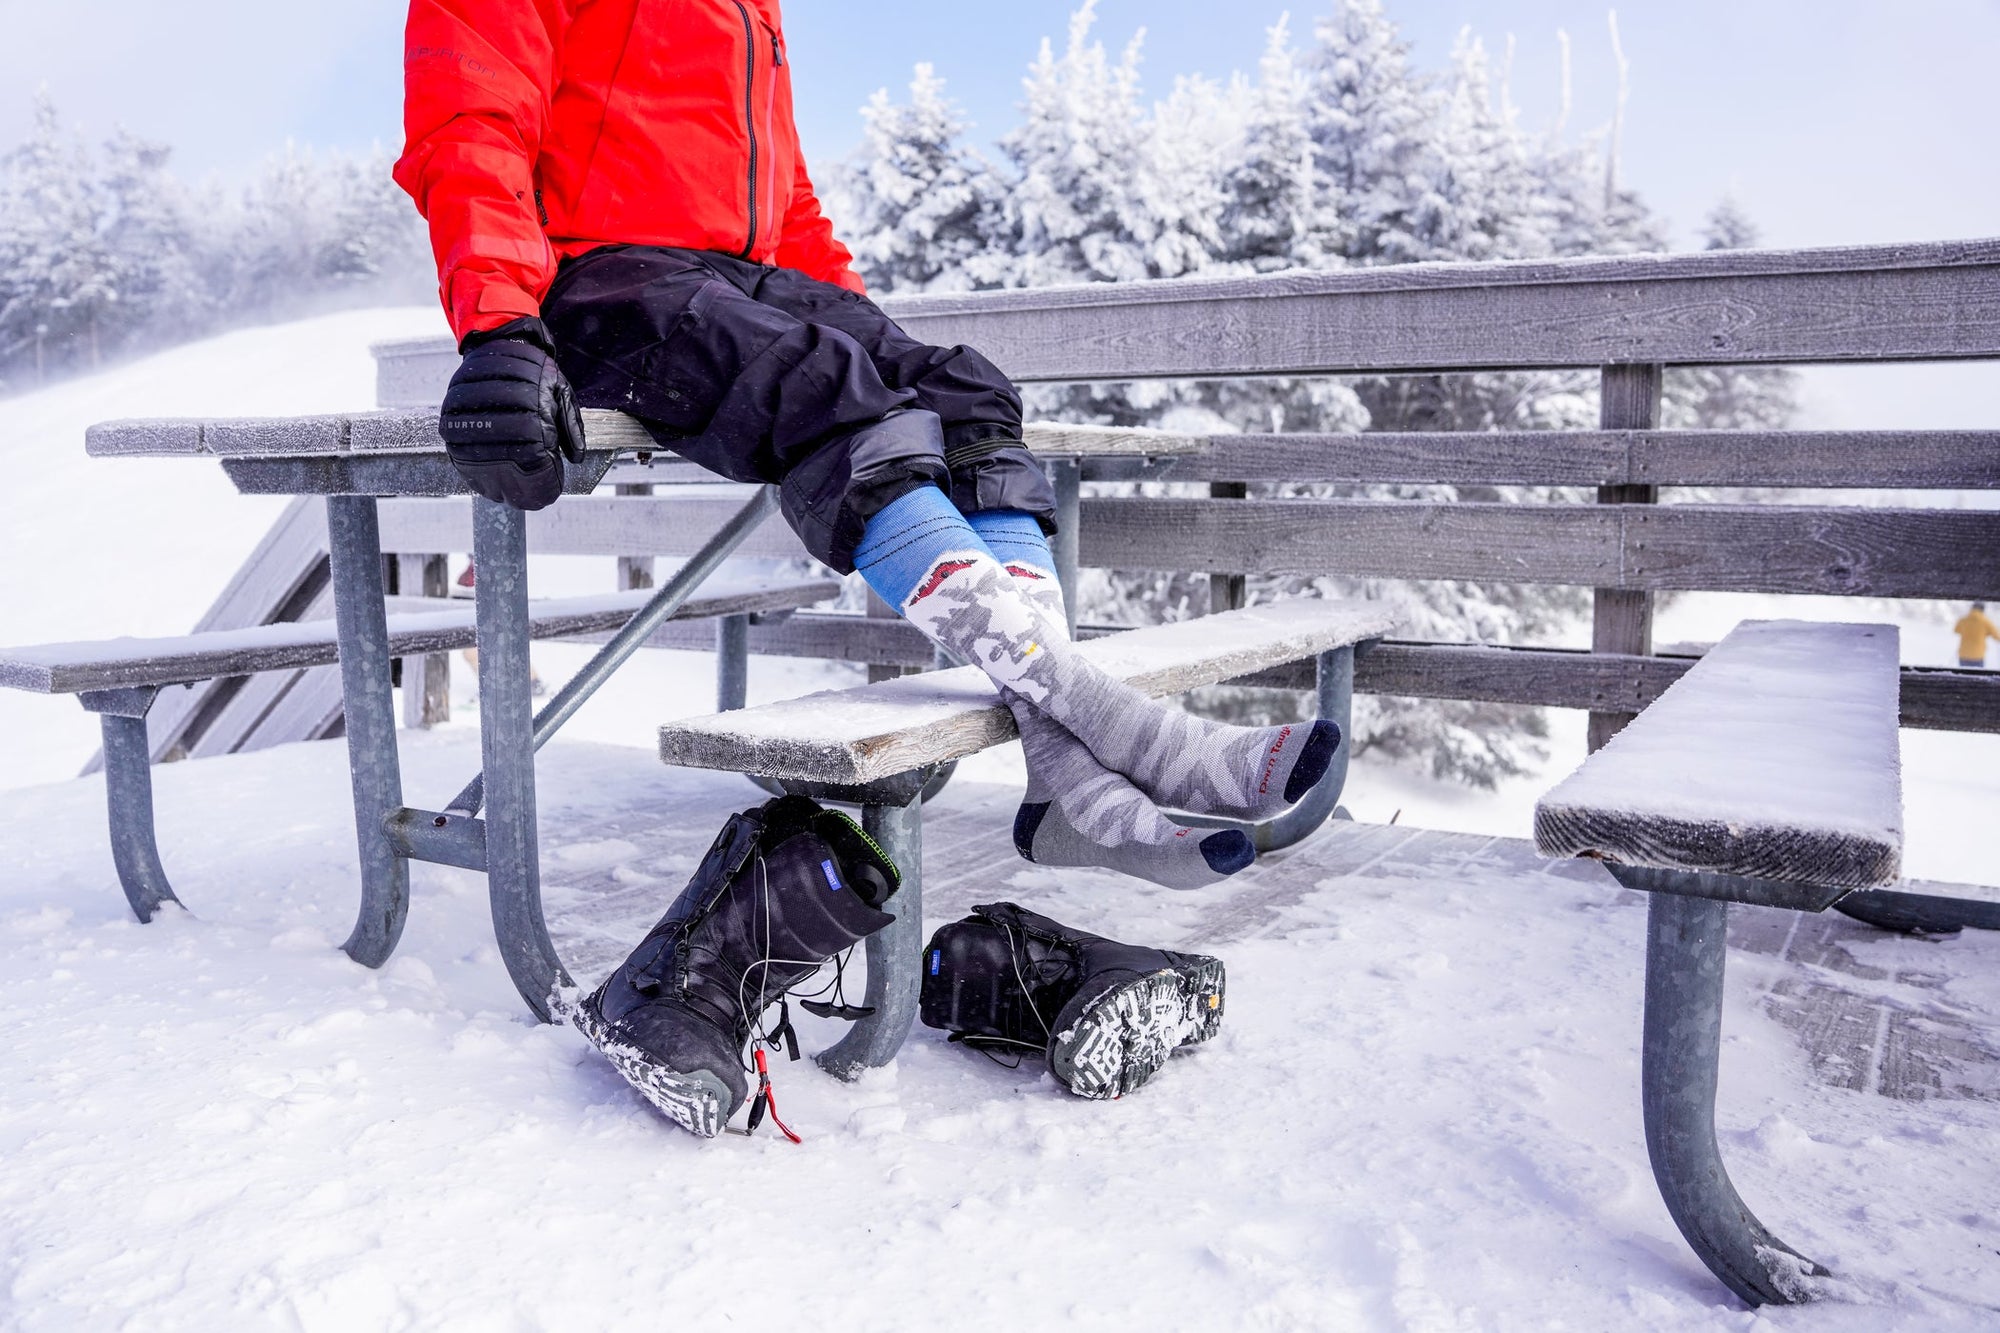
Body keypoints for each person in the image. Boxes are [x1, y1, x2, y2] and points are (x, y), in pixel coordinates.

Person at [395, 1, 1334, 1134]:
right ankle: (1119, 730)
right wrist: (499, 323)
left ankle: (1065, 776)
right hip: (603, 284)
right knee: (833, 394)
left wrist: (865, 337)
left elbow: (778, 198)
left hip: (738, 287)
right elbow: (472, 115)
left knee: (966, 394)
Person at [1956, 602, 2000, 668]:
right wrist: (1986, 633)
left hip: (1964, 654)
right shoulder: (1985, 621)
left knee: (1964, 674)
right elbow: (1997, 636)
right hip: (1977, 655)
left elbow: (1956, 630)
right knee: (1978, 677)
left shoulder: (1963, 620)